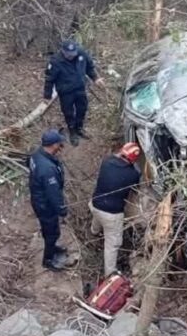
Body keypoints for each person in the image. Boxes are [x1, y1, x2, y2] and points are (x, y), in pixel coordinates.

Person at [89, 143, 142, 277]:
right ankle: (109, 273)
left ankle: (94, 232)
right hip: (111, 215)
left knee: (97, 217)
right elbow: (135, 188)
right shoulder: (133, 174)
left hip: (94, 204)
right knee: (112, 245)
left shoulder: (106, 162)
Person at [43, 39, 100, 146]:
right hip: (65, 92)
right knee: (68, 112)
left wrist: (95, 78)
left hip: (80, 88)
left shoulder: (81, 53)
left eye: (73, 54)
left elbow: (89, 67)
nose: (71, 56)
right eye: (69, 54)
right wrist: (47, 96)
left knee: (82, 108)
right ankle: (72, 131)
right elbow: (49, 79)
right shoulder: (55, 61)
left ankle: (79, 128)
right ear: (63, 51)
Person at [28, 129, 70, 273]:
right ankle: (48, 260)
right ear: (53, 145)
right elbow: (53, 194)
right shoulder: (47, 169)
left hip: (38, 198)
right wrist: (62, 209)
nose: (60, 145)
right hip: (45, 205)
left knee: (49, 230)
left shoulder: (37, 154)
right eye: (59, 143)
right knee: (52, 232)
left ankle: (52, 248)